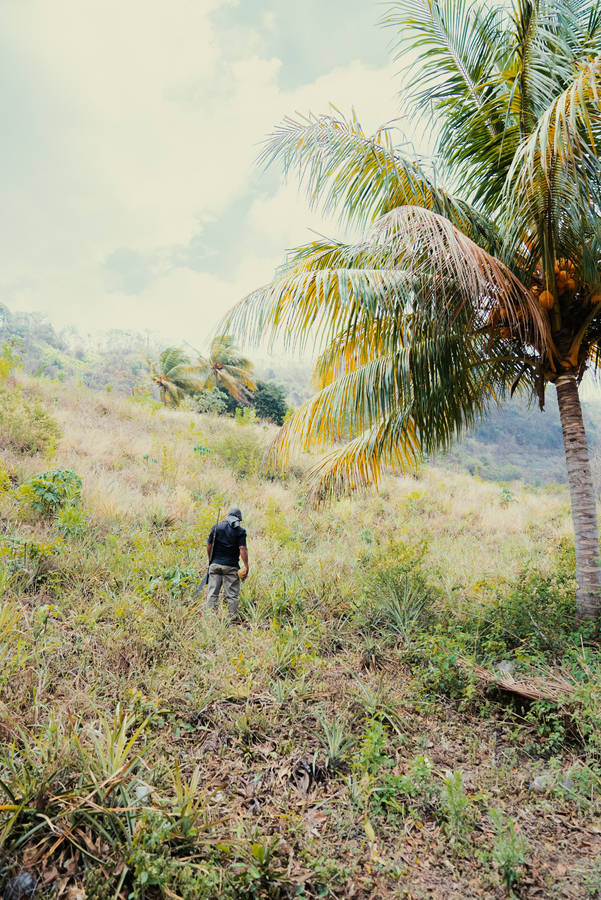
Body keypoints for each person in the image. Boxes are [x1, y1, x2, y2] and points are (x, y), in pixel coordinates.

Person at [206, 506, 249, 618]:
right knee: (232, 595)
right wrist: (246, 566)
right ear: (238, 519)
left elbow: (209, 545)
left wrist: (210, 560)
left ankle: (211, 618)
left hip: (215, 565)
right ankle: (232, 618)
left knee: (212, 593)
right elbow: (243, 548)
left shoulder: (216, 527)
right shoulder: (240, 531)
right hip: (231, 567)